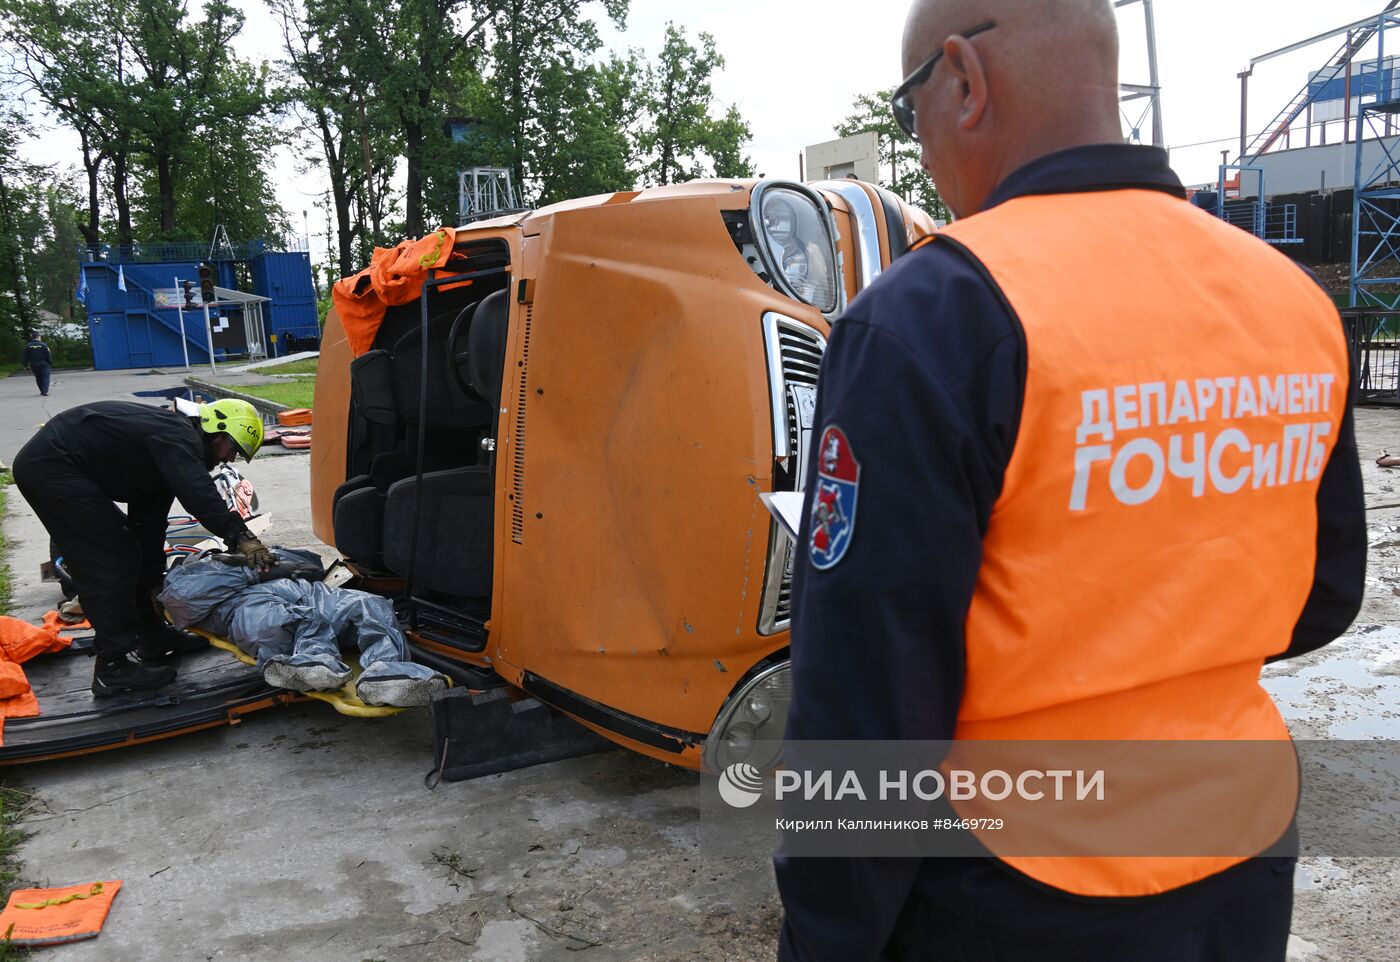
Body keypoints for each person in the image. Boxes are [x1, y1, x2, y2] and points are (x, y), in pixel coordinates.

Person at [773, 1, 1367, 961]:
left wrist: (825, 938)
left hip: (1013, 886)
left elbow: (867, 702)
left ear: (963, 80)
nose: (918, 148)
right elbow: (1325, 596)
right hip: (1240, 847)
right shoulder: (1288, 298)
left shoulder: (935, 317)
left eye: (909, 105)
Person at [12, 399, 278, 696]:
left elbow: (149, 527)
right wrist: (241, 537)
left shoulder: (164, 451)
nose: (228, 460)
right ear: (218, 432)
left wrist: (153, 580)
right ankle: (112, 668)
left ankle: (151, 636)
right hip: (52, 467)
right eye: (233, 450)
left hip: (60, 465)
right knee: (110, 558)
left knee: (135, 550)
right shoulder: (176, 436)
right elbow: (199, 493)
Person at [21, 332, 52, 397]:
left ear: (32, 337)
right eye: (40, 336)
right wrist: (50, 362)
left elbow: (24, 357)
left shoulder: (28, 346)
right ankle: (44, 391)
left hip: (34, 365)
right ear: (38, 337)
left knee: (38, 378)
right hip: (44, 364)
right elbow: (49, 355)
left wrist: (25, 366)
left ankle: (42, 390)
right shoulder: (44, 345)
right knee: (45, 377)